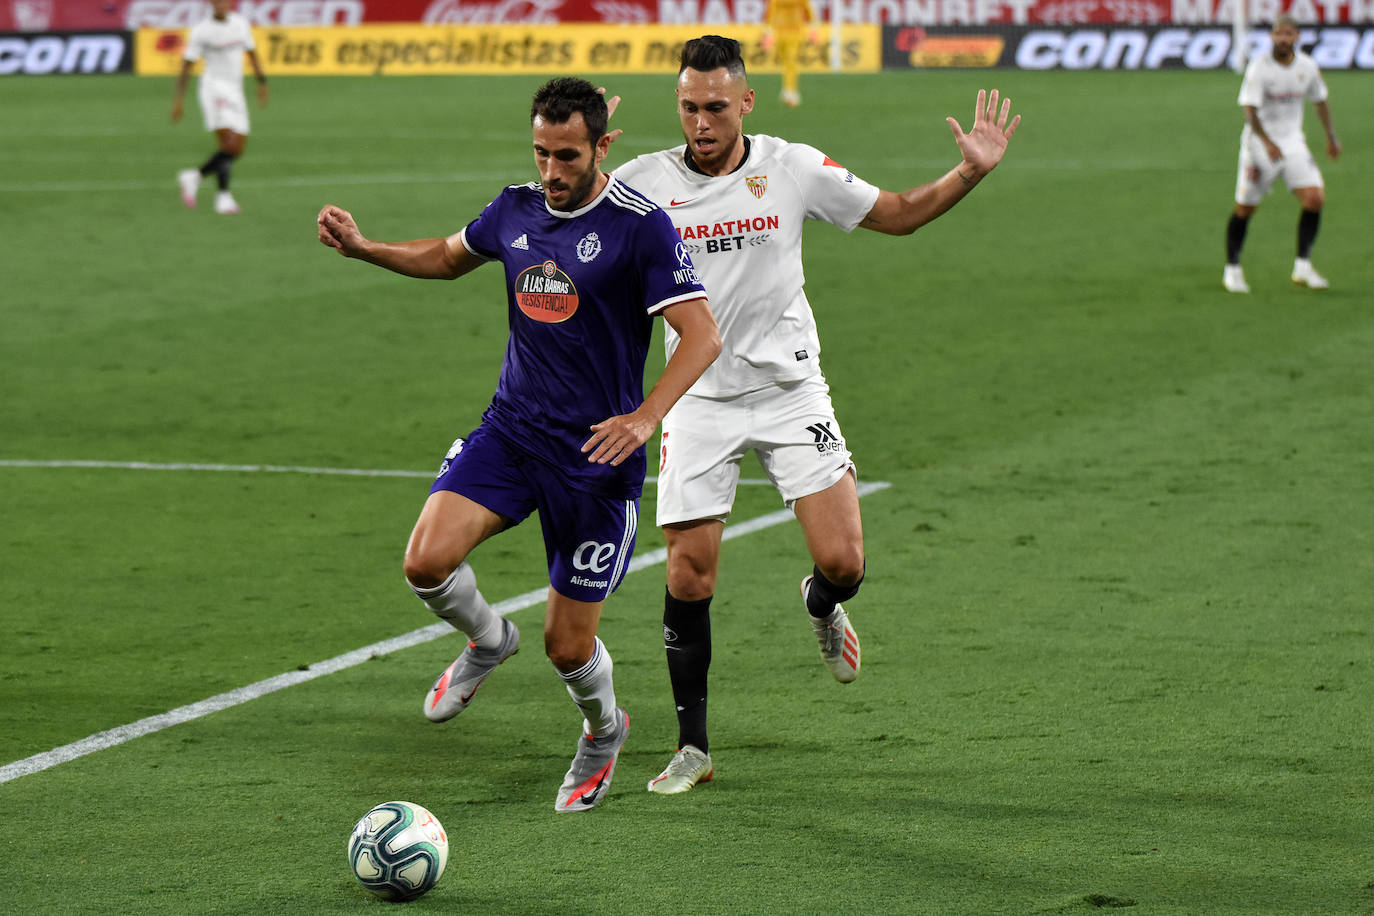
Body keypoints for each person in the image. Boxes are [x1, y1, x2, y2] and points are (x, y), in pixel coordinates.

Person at [610, 35, 1019, 794]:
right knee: (690, 573)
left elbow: (896, 215)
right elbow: (572, 227)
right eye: (690, 107)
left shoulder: (791, 167)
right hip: (694, 397)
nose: (702, 123)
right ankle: (692, 747)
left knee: (844, 563)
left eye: (717, 108)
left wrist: (968, 171)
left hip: (790, 390)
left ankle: (821, 606)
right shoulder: (639, 184)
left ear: (747, 102)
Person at [317, 77, 720, 812]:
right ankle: (486, 639)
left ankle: (604, 730)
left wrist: (646, 416)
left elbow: (702, 334)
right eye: (541, 153)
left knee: (566, 647)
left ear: (604, 147)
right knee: (425, 562)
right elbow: (445, 257)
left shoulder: (640, 226)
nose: (551, 172)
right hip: (513, 431)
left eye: (567, 156)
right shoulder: (515, 210)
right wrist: (364, 248)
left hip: (597, 461)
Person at [1223, 14, 1340, 293]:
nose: (1283, 39)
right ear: (1272, 37)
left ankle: (1303, 266)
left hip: (1292, 142)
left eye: (1288, 34)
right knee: (1246, 208)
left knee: (1314, 198)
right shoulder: (1259, 68)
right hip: (1259, 145)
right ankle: (1233, 269)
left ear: (1296, 37)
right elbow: (1249, 111)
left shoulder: (1307, 67)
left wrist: (1331, 136)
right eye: (1278, 34)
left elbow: (1320, 101)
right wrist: (1267, 142)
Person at [171, 0, 268, 215]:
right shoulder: (202, 31)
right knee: (229, 143)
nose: (223, 4)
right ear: (211, 3)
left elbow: (252, 52)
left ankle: (195, 177)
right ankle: (222, 196)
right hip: (214, 91)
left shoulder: (240, 24)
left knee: (237, 148)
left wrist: (262, 82)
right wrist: (179, 99)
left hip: (236, 91)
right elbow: (187, 64)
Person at [761, 0, 818, 107]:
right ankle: (787, 89)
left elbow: (808, 10)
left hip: (795, 31)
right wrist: (768, 32)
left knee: (791, 60)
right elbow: (771, 11)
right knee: (786, 61)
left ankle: (791, 91)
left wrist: (813, 28)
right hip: (779, 32)